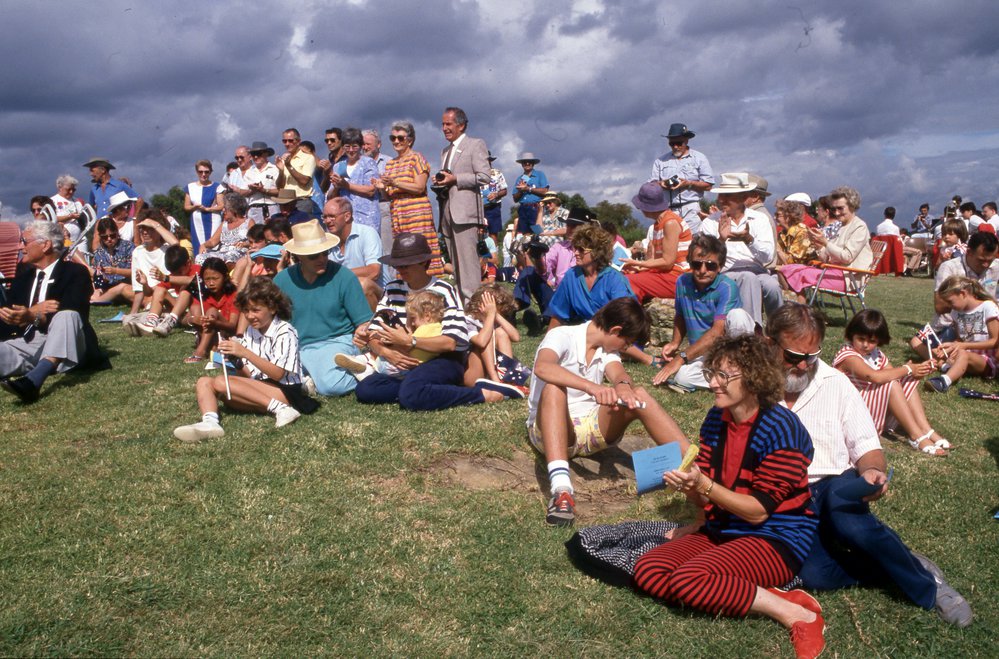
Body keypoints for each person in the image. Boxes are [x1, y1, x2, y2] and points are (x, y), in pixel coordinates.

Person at [768, 304, 974, 628]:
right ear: (770, 344)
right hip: (788, 494)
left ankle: (929, 588)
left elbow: (867, 445)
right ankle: (900, 563)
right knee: (815, 574)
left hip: (836, 481)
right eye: (794, 356)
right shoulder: (754, 387)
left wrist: (871, 470)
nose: (804, 365)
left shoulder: (834, 382)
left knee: (845, 512)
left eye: (812, 356)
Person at [633, 334, 823, 659]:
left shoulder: (783, 429)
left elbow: (758, 512)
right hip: (724, 528)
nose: (714, 384)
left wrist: (704, 485)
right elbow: (707, 498)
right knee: (648, 569)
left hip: (775, 538)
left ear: (753, 378)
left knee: (688, 581)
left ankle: (795, 612)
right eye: (712, 374)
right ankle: (745, 591)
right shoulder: (715, 420)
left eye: (724, 376)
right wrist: (690, 489)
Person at [528, 297, 691, 526]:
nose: (625, 350)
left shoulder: (605, 349)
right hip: (551, 429)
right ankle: (561, 490)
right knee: (554, 388)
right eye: (626, 344)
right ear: (615, 330)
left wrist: (623, 388)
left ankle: (695, 464)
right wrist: (591, 387)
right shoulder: (561, 336)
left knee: (640, 395)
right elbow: (543, 367)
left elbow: (618, 373)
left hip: (590, 427)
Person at [350, 232, 513, 410]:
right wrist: (385, 352)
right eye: (397, 264)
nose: (400, 269)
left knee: (409, 394)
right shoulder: (392, 289)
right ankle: (427, 390)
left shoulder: (444, 290)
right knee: (365, 389)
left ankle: (481, 395)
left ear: (423, 262)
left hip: (442, 359)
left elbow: (451, 342)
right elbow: (374, 331)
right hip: (403, 360)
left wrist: (410, 341)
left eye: (405, 264)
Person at [173, 277, 318, 442]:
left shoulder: (285, 332)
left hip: (285, 390)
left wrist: (245, 353)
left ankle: (282, 409)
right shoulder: (251, 332)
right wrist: (235, 358)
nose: (250, 316)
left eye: (256, 310)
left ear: (272, 308)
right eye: (246, 311)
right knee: (204, 382)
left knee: (220, 382)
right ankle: (210, 422)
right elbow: (249, 376)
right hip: (263, 387)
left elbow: (278, 374)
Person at [0, 221, 107, 402]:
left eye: (24, 242)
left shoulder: (75, 272)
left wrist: (34, 316)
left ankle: (34, 380)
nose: (20, 247)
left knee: (67, 315)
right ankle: (39, 367)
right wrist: (25, 314)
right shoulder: (23, 276)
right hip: (27, 343)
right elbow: (12, 313)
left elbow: (74, 313)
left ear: (45, 245)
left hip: (69, 341)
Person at [274, 219, 373, 397]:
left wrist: (363, 333)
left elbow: (363, 321)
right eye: (314, 255)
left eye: (325, 253)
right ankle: (311, 377)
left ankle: (367, 366)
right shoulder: (281, 280)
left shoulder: (344, 276)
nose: (321, 259)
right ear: (299, 256)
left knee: (332, 387)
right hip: (295, 346)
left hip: (336, 342)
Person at [832, 309, 948, 455]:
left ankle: (925, 429)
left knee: (901, 378)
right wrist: (908, 368)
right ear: (851, 335)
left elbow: (895, 375)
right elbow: (872, 376)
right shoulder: (848, 355)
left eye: (872, 341)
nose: (866, 345)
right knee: (891, 381)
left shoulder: (877, 354)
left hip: (868, 406)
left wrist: (917, 373)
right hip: (851, 412)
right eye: (861, 339)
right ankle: (916, 436)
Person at [652, 234, 755, 391]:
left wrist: (681, 358)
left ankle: (741, 370)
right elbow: (680, 314)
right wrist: (675, 343)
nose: (702, 270)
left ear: (720, 267)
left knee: (738, 316)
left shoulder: (727, 287)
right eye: (696, 264)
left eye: (710, 265)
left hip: (730, 350)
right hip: (704, 353)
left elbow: (717, 333)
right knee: (682, 378)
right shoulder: (682, 282)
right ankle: (732, 380)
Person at [701, 173, 782, 329]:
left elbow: (768, 256)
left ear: (743, 197)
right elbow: (704, 258)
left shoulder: (759, 219)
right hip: (726, 271)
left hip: (758, 269)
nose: (721, 200)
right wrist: (721, 240)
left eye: (728, 196)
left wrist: (749, 240)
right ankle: (751, 334)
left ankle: (779, 330)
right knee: (748, 278)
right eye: (720, 196)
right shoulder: (710, 222)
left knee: (772, 286)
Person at [909, 231, 999, 360]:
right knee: (916, 343)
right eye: (981, 260)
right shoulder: (950, 268)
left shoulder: (996, 267)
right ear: (969, 252)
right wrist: (970, 305)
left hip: (988, 323)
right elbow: (940, 306)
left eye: (990, 260)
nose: (986, 265)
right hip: (952, 324)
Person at [371, 120, 444, 276]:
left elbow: (419, 187)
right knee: (403, 252)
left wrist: (395, 182)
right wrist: (382, 188)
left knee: (419, 250)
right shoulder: (391, 164)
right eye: (393, 138)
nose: (396, 141)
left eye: (400, 138)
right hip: (398, 214)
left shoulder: (417, 158)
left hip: (416, 213)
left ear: (410, 140)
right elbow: (389, 195)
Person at [779, 187, 873, 304]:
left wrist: (825, 243)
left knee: (796, 273)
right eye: (834, 209)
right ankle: (796, 310)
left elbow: (847, 256)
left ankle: (798, 312)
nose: (837, 212)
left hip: (847, 278)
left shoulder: (859, 227)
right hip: (833, 271)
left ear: (852, 206)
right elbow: (827, 257)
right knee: (786, 269)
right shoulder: (841, 226)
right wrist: (818, 245)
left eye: (840, 208)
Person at [437, 106, 491, 304]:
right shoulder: (445, 151)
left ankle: (475, 308)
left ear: (461, 125)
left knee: (468, 265)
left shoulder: (475, 145)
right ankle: (461, 305)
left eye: (448, 124)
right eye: (442, 124)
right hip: (448, 214)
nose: (444, 128)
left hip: (465, 215)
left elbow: (484, 176)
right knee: (457, 266)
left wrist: (456, 179)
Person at [337, 289, 446, 383]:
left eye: (413, 318)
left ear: (427, 315)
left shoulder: (424, 329)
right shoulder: (439, 328)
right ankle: (366, 361)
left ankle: (368, 366)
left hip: (400, 367)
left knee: (382, 358)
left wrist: (388, 340)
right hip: (416, 367)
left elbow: (405, 346)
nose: (412, 324)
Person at [546, 223, 636, 329]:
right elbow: (558, 313)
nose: (575, 253)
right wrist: (548, 341)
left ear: (597, 252)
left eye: (581, 250)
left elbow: (624, 317)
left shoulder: (614, 279)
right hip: (585, 331)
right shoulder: (572, 275)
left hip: (612, 331)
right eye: (575, 248)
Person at [922, 276, 999, 393]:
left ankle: (944, 381)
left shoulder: (987, 307)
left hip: (989, 360)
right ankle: (947, 366)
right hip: (967, 354)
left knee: (963, 354)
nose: (948, 306)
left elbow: (995, 341)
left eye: (950, 301)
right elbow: (960, 339)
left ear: (963, 293)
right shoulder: (956, 313)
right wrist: (951, 348)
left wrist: (964, 346)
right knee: (941, 353)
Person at [621, 181, 691, 303]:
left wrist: (639, 264)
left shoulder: (670, 223)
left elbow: (667, 262)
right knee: (627, 276)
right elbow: (660, 263)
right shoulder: (659, 223)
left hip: (679, 277)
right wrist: (638, 268)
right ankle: (632, 315)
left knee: (628, 281)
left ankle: (630, 317)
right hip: (669, 274)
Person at [650, 123, 714, 234]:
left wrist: (688, 184)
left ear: (686, 140)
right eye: (672, 143)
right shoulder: (660, 161)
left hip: (691, 208)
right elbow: (650, 186)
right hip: (668, 210)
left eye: (679, 143)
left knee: (693, 242)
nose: (675, 146)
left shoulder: (699, 158)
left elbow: (708, 185)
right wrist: (662, 184)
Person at [121, 214, 180, 334]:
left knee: (159, 290)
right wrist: (133, 313)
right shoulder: (138, 252)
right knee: (132, 316)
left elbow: (176, 244)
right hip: (152, 298)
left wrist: (155, 224)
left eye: (150, 229)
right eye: (142, 228)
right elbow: (140, 291)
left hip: (172, 297)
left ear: (159, 231)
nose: (145, 232)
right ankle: (155, 319)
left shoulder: (167, 249)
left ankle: (156, 320)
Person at [464, 283, 529, 390]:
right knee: (488, 334)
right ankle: (495, 379)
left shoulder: (493, 319)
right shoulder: (468, 321)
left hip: (487, 373)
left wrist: (495, 315)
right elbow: (481, 342)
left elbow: (516, 337)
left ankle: (507, 377)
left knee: (500, 332)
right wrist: (489, 316)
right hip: (472, 375)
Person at [322, 197, 384, 310]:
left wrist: (336, 275)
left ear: (347, 216)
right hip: (345, 292)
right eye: (325, 217)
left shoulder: (367, 233)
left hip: (378, 297)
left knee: (363, 284)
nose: (327, 221)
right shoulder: (327, 241)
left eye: (332, 216)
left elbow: (374, 271)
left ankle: (373, 326)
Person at [328, 127, 381, 234]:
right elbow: (330, 197)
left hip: (366, 219)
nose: (351, 150)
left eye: (355, 146)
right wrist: (336, 188)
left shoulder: (368, 163)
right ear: (343, 147)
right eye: (347, 146)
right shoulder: (338, 166)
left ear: (361, 146)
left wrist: (346, 185)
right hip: (345, 221)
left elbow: (371, 190)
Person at [196, 193, 254, 265]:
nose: (223, 210)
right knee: (200, 257)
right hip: (222, 253)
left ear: (234, 210)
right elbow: (212, 241)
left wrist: (244, 244)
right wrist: (204, 245)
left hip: (239, 253)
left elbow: (254, 241)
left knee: (230, 256)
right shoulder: (224, 224)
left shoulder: (248, 222)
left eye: (225, 209)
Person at [184, 160, 226, 254]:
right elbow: (186, 206)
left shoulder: (217, 186)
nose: (203, 174)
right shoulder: (190, 187)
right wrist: (194, 207)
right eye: (200, 172)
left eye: (206, 172)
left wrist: (208, 209)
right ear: (196, 172)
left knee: (214, 247)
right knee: (198, 246)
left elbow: (221, 205)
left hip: (213, 219)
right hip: (197, 221)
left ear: (210, 172)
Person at [90, 218, 135, 304]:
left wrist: (116, 271)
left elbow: (135, 271)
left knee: (122, 288)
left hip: (127, 285)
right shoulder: (99, 253)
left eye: (112, 236)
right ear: (100, 237)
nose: (109, 239)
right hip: (107, 287)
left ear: (117, 232)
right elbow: (98, 276)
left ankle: (98, 300)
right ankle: (98, 298)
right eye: (105, 237)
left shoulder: (128, 247)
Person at [275, 128, 318, 216]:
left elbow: (304, 181)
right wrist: (281, 171)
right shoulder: (284, 159)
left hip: (301, 202)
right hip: (286, 203)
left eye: (290, 141)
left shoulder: (308, 157)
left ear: (298, 141)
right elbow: (280, 186)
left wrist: (289, 166)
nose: (287, 144)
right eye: (284, 141)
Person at [511, 152, 549, 237]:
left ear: (533, 163)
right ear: (522, 164)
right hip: (523, 208)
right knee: (525, 234)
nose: (527, 163)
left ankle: (538, 248)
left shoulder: (540, 175)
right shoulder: (520, 179)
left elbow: (545, 191)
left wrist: (529, 189)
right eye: (525, 162)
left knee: (537, 232)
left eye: (529, 161)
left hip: (536, 207)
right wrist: (521, 190)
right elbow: (515, 198)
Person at [241, 141, 281, 222]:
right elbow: (242, 193)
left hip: (272, 207)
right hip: (253, 209)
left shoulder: (275, 170)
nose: (255, 157)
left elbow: (280, 191)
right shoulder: (249, 172)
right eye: (253, 154)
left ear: (266, 154)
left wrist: (264, 190)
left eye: (258, 154)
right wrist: (253, 190)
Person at [774, 199, 816, 266]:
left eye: (777, 215)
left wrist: (777, 249)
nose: (774, 217)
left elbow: (793, 263)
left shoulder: (802, 233)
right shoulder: (782, 233)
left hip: (803, 271)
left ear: (788, 216)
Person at [481, 152, 508, 244]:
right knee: (478, 233)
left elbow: (504, 190)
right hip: (478, 208)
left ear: (490, 161)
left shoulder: (497, 173)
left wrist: (496, 194)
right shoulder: (474, 174)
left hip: (493, 207)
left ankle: (494, 255)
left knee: (493, 232)